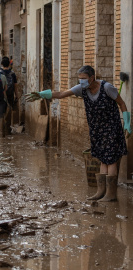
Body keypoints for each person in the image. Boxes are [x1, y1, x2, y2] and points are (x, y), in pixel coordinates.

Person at [26, 65, 131, 202]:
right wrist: (42, 94)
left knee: (110, 160)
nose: (81, 81)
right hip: (96, 130)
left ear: (92, 78)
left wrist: (127, 123)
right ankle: (101, 191)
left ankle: (111, 194)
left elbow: (122, 104)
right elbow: (62, 94)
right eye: (79, 79)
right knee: (101, 159)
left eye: (83, 79)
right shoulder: (82, 89)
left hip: (111, 128)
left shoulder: (107, 87)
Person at [0, 57, 18, 134]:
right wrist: (16, 95)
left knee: (2, 110)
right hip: (10, 93)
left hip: (2, 94)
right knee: (9, 109)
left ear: (1, 64)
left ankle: (1, 128)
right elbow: (15, 85)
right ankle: (8, 128)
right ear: (9, 64)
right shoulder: (12, 73)